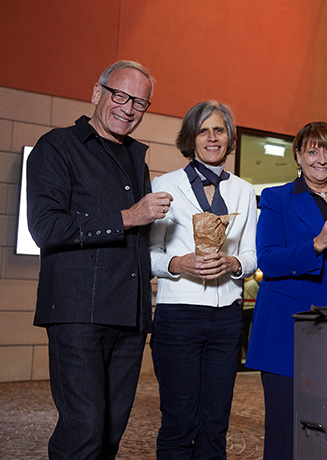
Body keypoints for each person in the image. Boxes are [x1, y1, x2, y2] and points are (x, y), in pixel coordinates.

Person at [26, 60, 172, 459]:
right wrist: (130, 216)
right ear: (97, 93)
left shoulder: (135, 160)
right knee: (83, 429)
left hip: (128, 317)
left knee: (109, 432)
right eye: (120, 96)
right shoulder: (56, 146)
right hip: (77, 313)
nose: (128, 108)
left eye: (140, 103)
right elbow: (46, 228)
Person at [245, 122, 327, 460]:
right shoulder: (276, 198)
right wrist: (318, 243)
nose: (321, 159)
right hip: (287, 333)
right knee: (284, 433)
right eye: (313, 150)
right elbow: (269, 261)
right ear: (299, 156)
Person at [149, 100, 257, 459]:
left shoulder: (243, 189)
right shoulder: (165, 184)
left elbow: (251, 254)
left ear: (229, 138)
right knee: (179, 422)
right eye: (203, 130)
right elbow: (149, 254)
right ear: (191, 138)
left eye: (219, 130)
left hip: (226, 317)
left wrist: (233, 263)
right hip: (178, 315)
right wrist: (179, 264)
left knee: (215, 423)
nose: (212, 138)